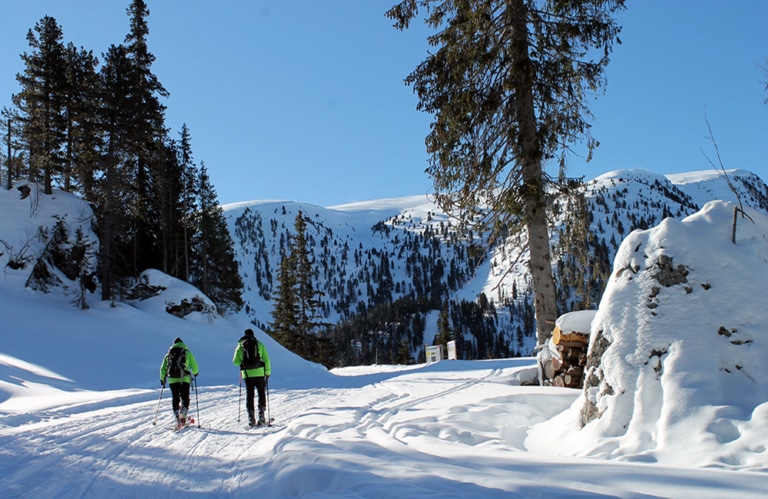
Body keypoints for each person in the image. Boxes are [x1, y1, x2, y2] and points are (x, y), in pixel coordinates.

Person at [233, 328, 271, 427]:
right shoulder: (259, 344)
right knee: (261, 393)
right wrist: (267, 373)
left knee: (250, 395)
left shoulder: (240, 346)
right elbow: (266, 359)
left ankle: (251, 418)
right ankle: (261, 415)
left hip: (247, 374)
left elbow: (235, 362)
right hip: (259, 373)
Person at [160, 337, 199, 427]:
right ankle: (183, 414)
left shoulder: (169, 354)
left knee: (175, 398)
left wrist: (162, 379)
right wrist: (196, 373)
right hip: (184, 379)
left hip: (172, 379)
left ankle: (177, 414)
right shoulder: (187, 352)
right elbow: (194, 364)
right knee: (185, 397)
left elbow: (163, 368)